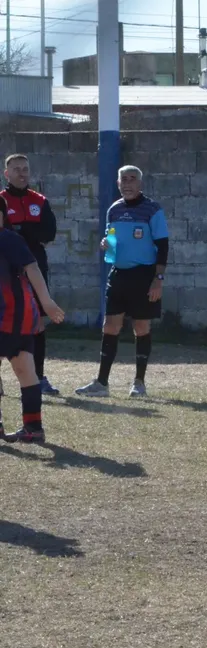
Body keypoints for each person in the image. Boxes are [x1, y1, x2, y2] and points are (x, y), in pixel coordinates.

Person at [76, 165, 168, 398]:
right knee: (110, 326)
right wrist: (105, 244)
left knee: (141, 327)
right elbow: (111, 239)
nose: (127, 183)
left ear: (140, 183)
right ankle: (101, 383)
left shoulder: (153, 210)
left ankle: (139, 383)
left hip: (144, 276)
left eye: (132, 179)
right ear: (118, 184)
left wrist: (158, 279)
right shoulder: (114, 210)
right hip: (118, 274)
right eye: (123, 180)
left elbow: (163, 247)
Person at [0, 196, 65, 443]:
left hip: (13, 314)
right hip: (14, 315)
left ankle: (33, 427)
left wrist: (46, 302)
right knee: (25, 367)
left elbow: (32, 267)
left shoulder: (8, 239)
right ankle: (33, 427)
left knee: (25, 367)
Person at [0, 154, 59, 395]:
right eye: (16, 169)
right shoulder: (2, 200)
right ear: (7, 174)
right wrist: (27, 231)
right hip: (6, 272)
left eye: (25, 169)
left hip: (35, 267)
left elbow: (49, 232)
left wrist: (21, 230)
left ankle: (40, 376)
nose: (22, 173)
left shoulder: (40, 201)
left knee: (37, 322)